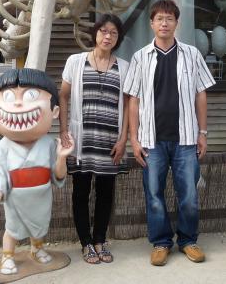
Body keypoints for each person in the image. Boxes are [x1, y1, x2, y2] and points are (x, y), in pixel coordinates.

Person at [123, 0, 215, 266]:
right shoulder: (140, 57)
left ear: (176, 23)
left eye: (169, 19)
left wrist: (203, 132)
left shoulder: (192, 54)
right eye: (159, 19)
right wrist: (133, 139)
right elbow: (133, 100)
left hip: (186, 138)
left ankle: (188, 241)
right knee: (154, 194)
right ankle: (161, 242)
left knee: (189, 196)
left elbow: (200, 94)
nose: (164, 23)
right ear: (151, 23)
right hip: (151, 141)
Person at [0, 68, 74, 275]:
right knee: (12, 229)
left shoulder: (49, 144)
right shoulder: (3, 146)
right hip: (16, 197)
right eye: (9, 97)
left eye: (31, 95)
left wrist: (61, 157)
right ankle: (8, 256)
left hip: (41, 195)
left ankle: (36, 248)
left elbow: (58, 176)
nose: (18, 104)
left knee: (39, 225)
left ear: (54, 111)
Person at [59, 14, 129, 264]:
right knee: (80, 192)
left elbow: (129, 105)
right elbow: (63, 96)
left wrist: (123, 139)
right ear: (95, 34)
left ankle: (100, 240)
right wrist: (63, 130)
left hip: (110, 141)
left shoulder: (125, 67)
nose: (107, 36)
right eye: (103, 31)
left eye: (113, 33)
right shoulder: (76, 61)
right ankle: (86, 243)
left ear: (118, 38)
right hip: (82, 140)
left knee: (106, 193)